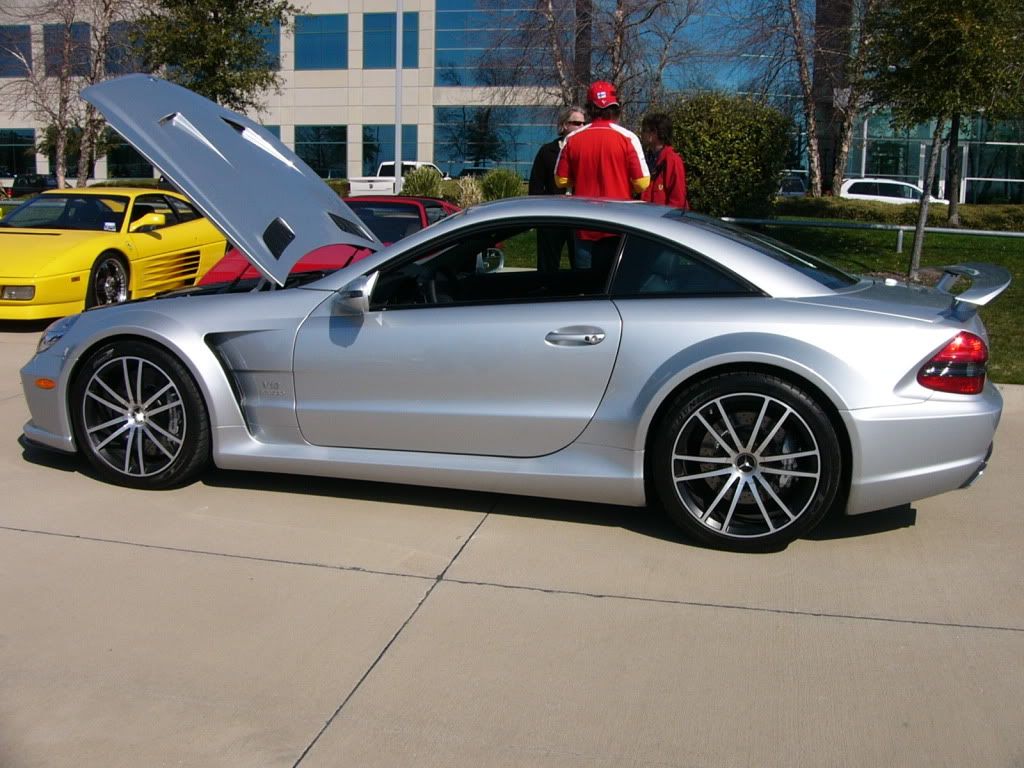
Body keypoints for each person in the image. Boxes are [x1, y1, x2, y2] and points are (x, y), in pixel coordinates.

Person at [554, 81, 649, 271]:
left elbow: (561, 180)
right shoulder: (628, 137)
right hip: (619, 225)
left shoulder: (572, 139)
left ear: (590, 109)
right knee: (616, 287)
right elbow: (642, 182)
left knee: (586, 290)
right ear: (615, 108)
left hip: (584, 226)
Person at [529, 105, 585, 271]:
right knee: (548, 265)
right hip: (552, 215)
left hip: (580, 216)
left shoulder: (586, 151)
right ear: (564, 125)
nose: (581, 127)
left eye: (583, 123)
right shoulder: (547, 151)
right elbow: (536, 187)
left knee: (580, 264)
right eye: (576, 123)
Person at [640, 113, 688, 209]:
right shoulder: (646, 158)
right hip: (645, 218)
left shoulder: (672, 160)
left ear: (655, 133)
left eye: (645, 130)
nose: (642, 134)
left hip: (662, 220)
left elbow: (677, 199)